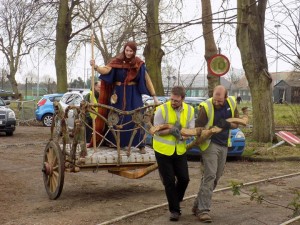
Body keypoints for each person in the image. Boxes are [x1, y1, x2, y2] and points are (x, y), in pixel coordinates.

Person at [90, 41, 159, 153]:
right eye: (127, 50)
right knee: (115, 116)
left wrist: (155, 97)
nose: (128, 53)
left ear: (134, 52)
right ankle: (114, 142)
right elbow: (106, 70)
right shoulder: (116, 61)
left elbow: (147, 79)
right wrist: (96, 66)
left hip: (134, 94)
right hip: (118, 94)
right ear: (124, 50)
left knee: (138, 116)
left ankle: (140, 144)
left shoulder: (139, 63)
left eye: (131, 51)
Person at [192, 85, 239, 222]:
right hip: (209, 144)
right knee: (210, 175)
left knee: (216, 177)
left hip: (224, 144)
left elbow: (237, 122)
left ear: (225, 97)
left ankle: (197, 205)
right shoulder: (205, 107)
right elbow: (198, 127)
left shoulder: (231, 102)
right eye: (215, 100)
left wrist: (226, 124)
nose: (217, 103)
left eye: (220, 101)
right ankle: (203, 210)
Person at [153, 86, 195, 222]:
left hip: (180, 150)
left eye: (176, 101)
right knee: (169, 181)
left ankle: (175, 200)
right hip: (162, 150)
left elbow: (190, 130)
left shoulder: (190, 110)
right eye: (171, 99)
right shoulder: (161, 110)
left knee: (184, 179)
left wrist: (183, 136)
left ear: (182, 99)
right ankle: (175, 210)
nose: (173, 102)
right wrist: (171, 131)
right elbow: (156, 131)